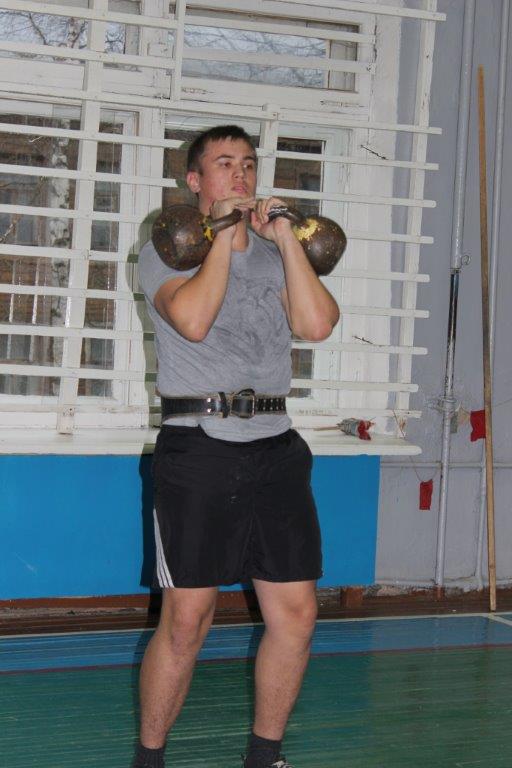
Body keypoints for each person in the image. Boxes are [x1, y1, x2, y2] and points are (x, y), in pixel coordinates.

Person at [134, 125, 340, 768]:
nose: (241, 175)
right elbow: (193, 322)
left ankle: (264, 755)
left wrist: (285, 239)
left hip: (276, 446)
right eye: (224, 164)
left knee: (297, 614)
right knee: (187, 620)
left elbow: (316, 325)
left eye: (248, 164)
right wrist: (223, 232)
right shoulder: (167, 248)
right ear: (195, 180)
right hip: (200, 446)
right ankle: (150, 758)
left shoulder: (277, 255)